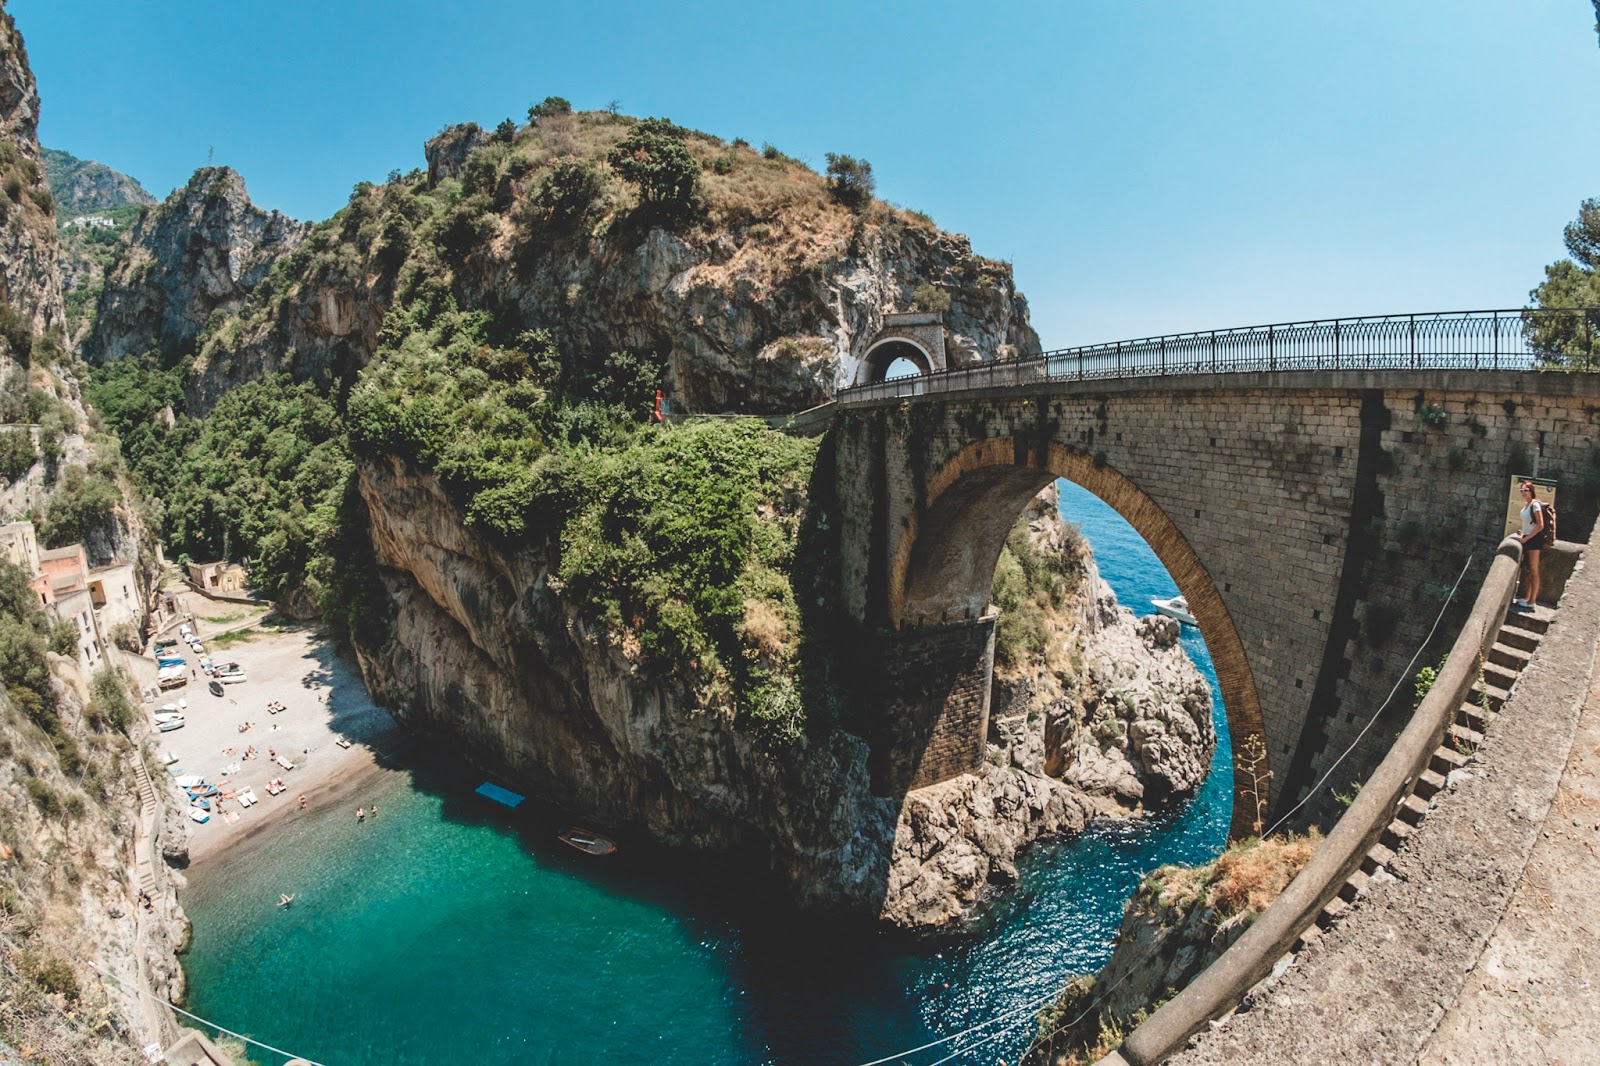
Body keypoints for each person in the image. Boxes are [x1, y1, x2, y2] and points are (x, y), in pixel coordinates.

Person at [1514, 481, 1546, 611]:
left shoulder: (1535, 505)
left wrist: (1527, 538)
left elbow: (1540, 525)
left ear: (1531, 491)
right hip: (1527, 539)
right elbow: (1528, 524)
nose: (1523, 492)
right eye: (1521, 490)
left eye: (1526, 490)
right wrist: (1523, 535)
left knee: (1534, 570)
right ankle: (1527, 598)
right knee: (1528, 571)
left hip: (1534, 540)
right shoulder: (1527, 505)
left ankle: (1532, 601)